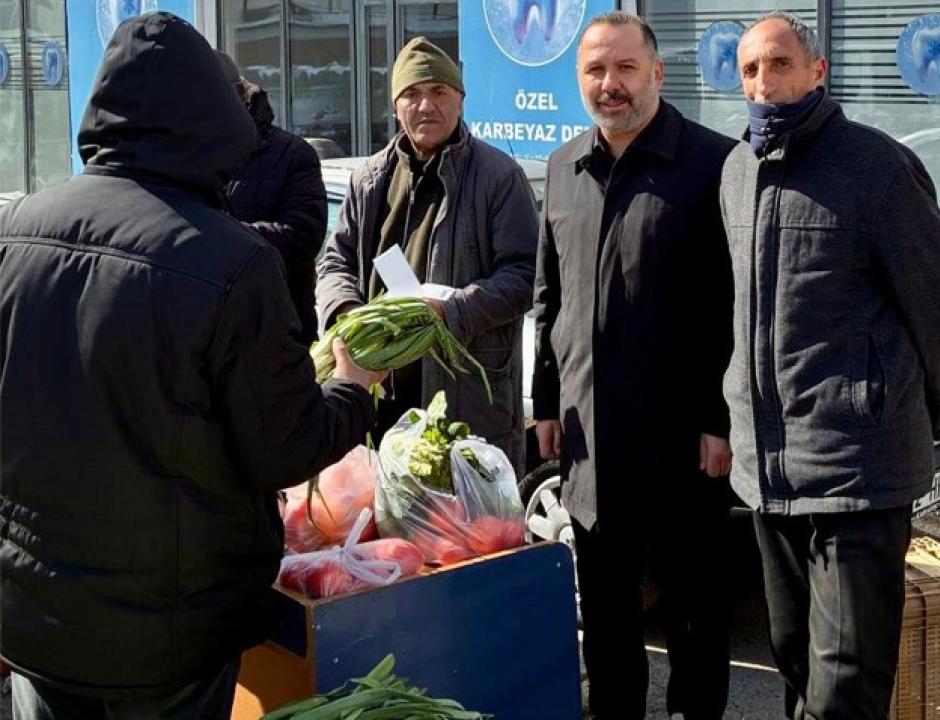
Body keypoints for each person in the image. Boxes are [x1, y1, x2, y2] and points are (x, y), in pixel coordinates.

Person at [0, 13, 384, 720]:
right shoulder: (232, 261)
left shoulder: (18, 228)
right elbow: (287, 445)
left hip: (36, 612)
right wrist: (353, 390)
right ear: (214, 117)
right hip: (168, 632)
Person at [719, 12, 940, 720]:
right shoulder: (737, 170)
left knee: (846, 690)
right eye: (749, 70)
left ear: (816, 70)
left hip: (856, 478)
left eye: (778, 64)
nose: (763, 82)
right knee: (795, 663)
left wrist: (897, 415)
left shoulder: (877, 167)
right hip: (767, 475)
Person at [531, 12, 736, 720]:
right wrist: (546, 405)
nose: (609, 85)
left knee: (694, 615)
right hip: (591, 440)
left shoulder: (714, 164)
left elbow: (730, 308)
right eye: (595, 71)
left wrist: (719, 419)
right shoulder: (563, 167)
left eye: (624, 69)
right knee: (610, 619)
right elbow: (548, 298)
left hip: (683, 441)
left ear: (657, 73)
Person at [317, 37, 537, 469]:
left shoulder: (499, 177)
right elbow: (335, 261)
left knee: (464, 531)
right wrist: (346, 312)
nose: (425, 106)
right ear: (395, 105)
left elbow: (526, 274)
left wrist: (450, 312)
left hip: (463, 402)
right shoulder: (369, 180)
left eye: (438, 92)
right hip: (379, 398)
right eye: (412, 94)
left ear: (460, 99)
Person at [219, 51, 328, 341]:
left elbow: (304, 235)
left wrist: (218, 235)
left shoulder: (293, 154)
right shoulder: (190, 156)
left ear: (242, 96)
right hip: (214, 330)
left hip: (280, 330)